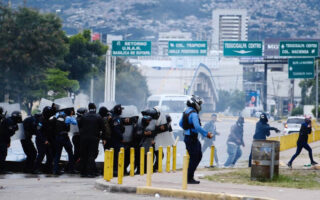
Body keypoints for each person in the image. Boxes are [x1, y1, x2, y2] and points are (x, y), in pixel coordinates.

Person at [179, 95, 213, 184]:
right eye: (199, 103)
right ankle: (188, 178)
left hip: (188, 138)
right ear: (195, 104)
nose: (200, 105)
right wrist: (206, 134)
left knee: (197, 156)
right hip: (192, 139)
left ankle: (189, 177)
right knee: (195, 158)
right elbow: (197, 127)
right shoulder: (193, 114)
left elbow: (180, 124)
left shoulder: (186, 112)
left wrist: (187, 128)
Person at [78, 103, 106, 177]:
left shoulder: (84, 116)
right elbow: (103, 128)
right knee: (91, 155)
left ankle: (83, 172)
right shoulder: (98, 116)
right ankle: (90, 172)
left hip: (84, 139)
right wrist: (103, 137)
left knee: (84, 155)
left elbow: (79, 126)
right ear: (95, 108)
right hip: (94, 138)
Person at [52, 109, 77, 175]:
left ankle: (55, 170)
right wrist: (72, 116)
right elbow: (75, 122)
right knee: (70, 152)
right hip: (64, 137)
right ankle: (71, 169)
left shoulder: (58, 116)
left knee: (57, 154)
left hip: (57, 137)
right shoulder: (68, 118)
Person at [34, 106, 56, 174]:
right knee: (41, 155)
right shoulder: (41, 120)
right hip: (41, 140)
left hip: (47, 140)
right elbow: (38, 131)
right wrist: (44, 140)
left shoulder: (47, 119)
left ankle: (47, 169)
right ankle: (35, 169)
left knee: (50, 155)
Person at [110, 104, 125, 176]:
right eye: (121, 109)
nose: (122, 111)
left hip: (115, 139)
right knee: (116, 156)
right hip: (116, 140)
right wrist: (121, 137)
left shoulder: (116, 117)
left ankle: (116, 170)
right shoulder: (116, 118)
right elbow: (116, 130)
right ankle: (115, 171)